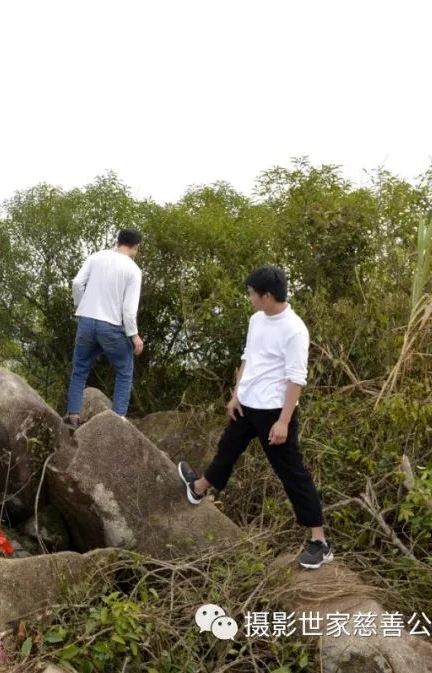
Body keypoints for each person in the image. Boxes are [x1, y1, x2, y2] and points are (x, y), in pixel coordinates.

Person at [178, 265, 333, 569]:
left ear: (267, 296)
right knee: (228, 448)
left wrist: (284, 421)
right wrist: (237, 394)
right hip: (247, 404)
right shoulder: (256, 319)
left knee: (293, 474)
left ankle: (320, 542)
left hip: (274, 412)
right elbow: (248, 357)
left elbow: (296, 379)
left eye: (251, 294)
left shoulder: (294, 329)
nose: (249, 298)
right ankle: (198, 489)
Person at [63, 229, 144, 429]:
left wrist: (81, 306)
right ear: (136, 247)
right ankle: (115, 423)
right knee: (124, 371)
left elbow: (77, 283)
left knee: (80, 369)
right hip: (111, 326)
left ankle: (73, 417)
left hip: (87, 321)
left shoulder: (96, 257)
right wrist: (134, 336)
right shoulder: (133, 270)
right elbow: (128, 309)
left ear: (118, 241)